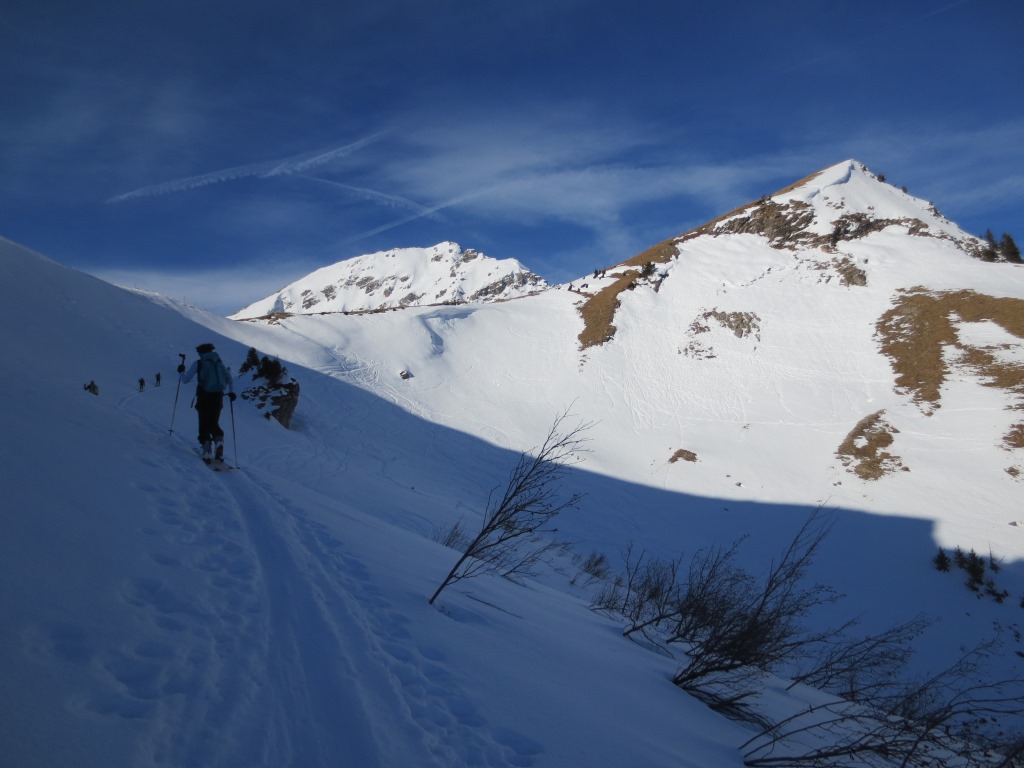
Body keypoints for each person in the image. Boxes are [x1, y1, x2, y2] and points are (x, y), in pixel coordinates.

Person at [178, 343, 236, 462]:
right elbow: (229, 377)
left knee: (203, 423)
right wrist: (231, 391)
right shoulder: (218, 362)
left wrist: (181, 371)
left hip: (204, 396)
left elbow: (185, 380)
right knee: (213, 422)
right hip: (218, 396)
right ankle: (219, 440)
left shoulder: (199, 363)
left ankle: (207, 451)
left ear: (201, 352)